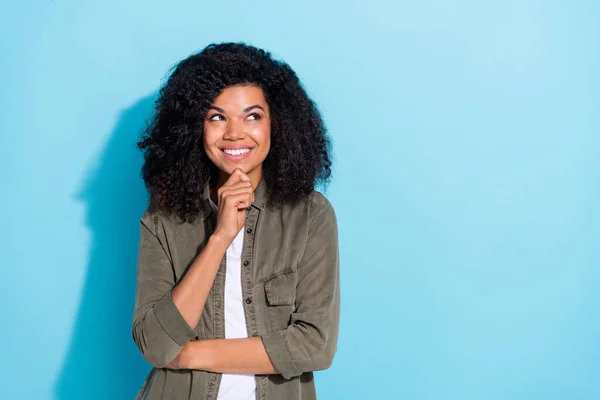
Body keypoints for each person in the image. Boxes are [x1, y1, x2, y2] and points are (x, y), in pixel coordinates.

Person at [132, 42, 340, 400]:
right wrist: (220, 237)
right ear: (194, 127)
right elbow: (154, 344)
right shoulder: (163, 218)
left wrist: (190, 354)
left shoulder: (311, 215)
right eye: (216, 117)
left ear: (278, 123)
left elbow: (314, 345)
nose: (234, 133)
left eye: (253, 116)